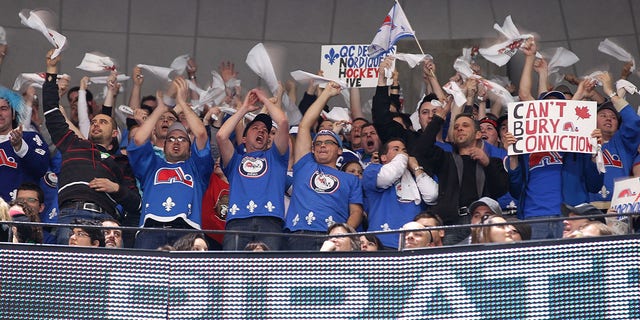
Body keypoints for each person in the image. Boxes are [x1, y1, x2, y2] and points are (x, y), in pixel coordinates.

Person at [43, 50, 141, 245]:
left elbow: (136, 204)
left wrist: (115, 188)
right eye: (94, 121)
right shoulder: (73, 144)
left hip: (107, 222)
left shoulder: (120, 161)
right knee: (69, 273)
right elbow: (52, 112)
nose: (96, 124)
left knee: (105, 275)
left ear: (115, 134)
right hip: (71, 215)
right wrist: (52, 70)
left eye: (103, 122)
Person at [127, 77, 213, 249]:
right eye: (171, 139)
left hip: (188, 230)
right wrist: (161, 108)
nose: (176, 142)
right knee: (146, 276)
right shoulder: (153, 165)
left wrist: (181, 102)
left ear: (190, 148)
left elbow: (202, 135)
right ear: (163, 145)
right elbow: (138, 139)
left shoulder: (196, 167)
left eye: (182, 139)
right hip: (150, 230)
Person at [413, 100, 509, 245]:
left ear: (478, 134)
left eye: (465, 126)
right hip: (452, 223)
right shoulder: (445, 158)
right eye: (456, 127)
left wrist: (487, 162)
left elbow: (501, 188)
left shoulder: (493, 162)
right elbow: (419, 151)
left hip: (481, 222)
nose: (459, 129)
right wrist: (438, 119)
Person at [285, 81, 363, 251]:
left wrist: (342, 234)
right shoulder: (305, 165)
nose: (322, 146)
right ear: (312, 149)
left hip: (333, 237)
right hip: (299, 235)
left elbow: (356, 212)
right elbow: (305, 125)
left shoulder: (351, 179)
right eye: (318, 143)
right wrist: (326, 93)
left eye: (328, 142)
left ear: (340, 151)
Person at [216, 88, 289, 251]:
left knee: (269, 272)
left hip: (270, 221)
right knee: (232, 272)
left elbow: (283, 122)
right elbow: (221, 136)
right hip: (237, 221)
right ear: (243, 138)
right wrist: (244, 109)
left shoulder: (276, 157)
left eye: (265, 130)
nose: (261, 131)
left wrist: (265, 100)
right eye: (255, 128)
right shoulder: (235, 160)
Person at [363, 138, 438, 249]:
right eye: (396, 149)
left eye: (404, 150)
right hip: (382, 242)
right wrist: (403, 156)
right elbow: (387, 177)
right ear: (383, 157)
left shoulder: (417, 176)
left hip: (412, 244)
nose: (402, 153)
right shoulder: (373, 170)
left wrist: (416, 168)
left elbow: (432, 195)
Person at [588, 72, 640, 208]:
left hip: (620, 207)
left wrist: (610, 92)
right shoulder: (584, 142)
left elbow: (634, 121)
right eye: (603, 115)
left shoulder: (623, 142)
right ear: (594, 120)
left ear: (618, 124)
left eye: (613, 117)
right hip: (591, 209)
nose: (608, 118)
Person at [0, 87, 50, 205]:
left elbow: (41, 168)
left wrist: (20, 147)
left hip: (20, 213)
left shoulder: (29, 137)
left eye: (4, 108)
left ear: (13, 114)